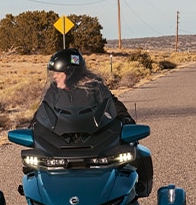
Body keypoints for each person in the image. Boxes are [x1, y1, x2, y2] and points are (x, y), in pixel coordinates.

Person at [33, 48, 152, 195]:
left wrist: (126, 119)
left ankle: (138, 189)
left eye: (58, 73)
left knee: (138, 153)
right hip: (62, 139)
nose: (54, 77)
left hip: (93, 137)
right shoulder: (54, 91)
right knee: (34, 161)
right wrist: (32, 127)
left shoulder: (95, 87)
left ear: (70, 74)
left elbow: (112, 103)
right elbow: (43, 109)